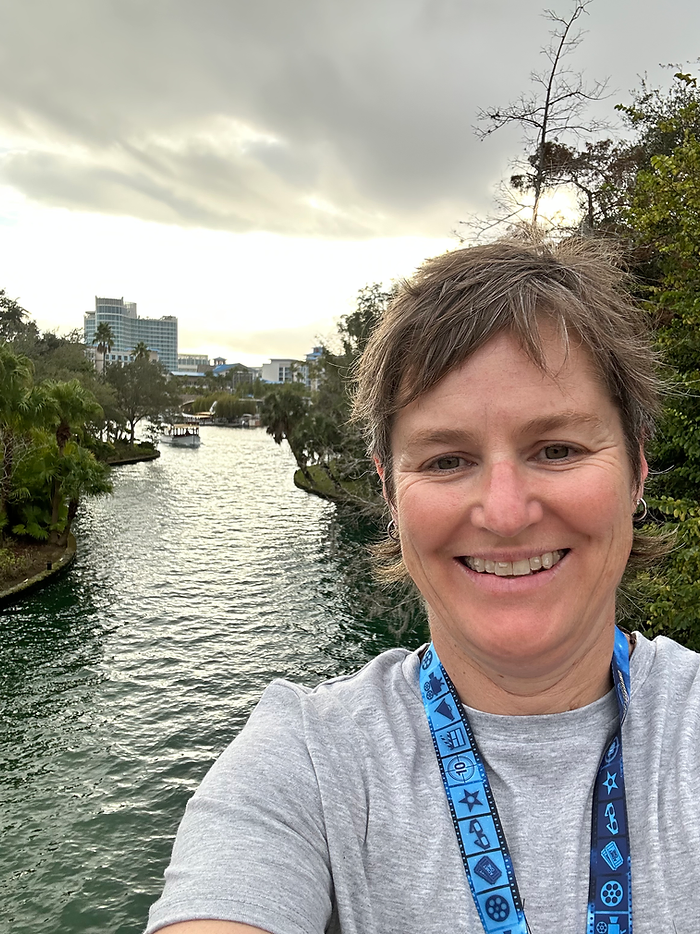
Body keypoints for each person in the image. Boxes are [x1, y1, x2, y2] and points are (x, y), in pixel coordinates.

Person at [146, 238, 700, 934]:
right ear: (388, 491)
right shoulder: (307, 763)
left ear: (636, 472)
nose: (503, 512)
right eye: (446, 460)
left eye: (557, 449)